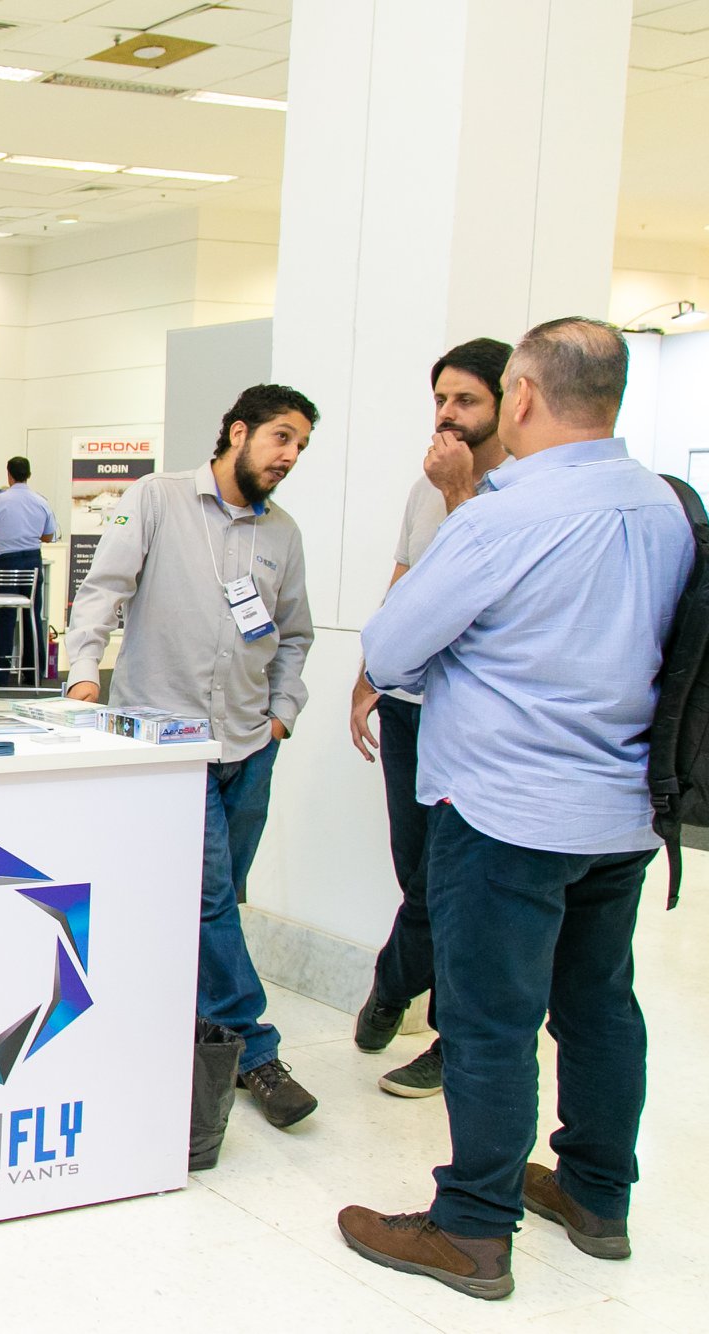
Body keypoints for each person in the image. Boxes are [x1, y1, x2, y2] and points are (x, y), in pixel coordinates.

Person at [342, 319, 691, 1301]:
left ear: (523, 396)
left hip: (505, 812)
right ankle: (596, 1196)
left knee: (490, 1019)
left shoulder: (502, 515)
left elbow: (392, 648)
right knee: (599, 1004)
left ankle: (470, 1229)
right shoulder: (667, 507)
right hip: (622, 812)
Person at [63, 384, 320, 1130]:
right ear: (238, 432)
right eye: (280, 437)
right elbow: (102, 590)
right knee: (208, 900)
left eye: (301, 446)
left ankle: (185, 1028)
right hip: (170, 743)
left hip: (250, 743)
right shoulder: (158, 498)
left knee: (217, 902)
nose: (290, 456)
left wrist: (282, 714)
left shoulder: (284, 534)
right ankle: (256, 1051)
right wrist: (83, 672)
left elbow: (295, 634)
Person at [346, 337, 512, 1100]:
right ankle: (400, 981)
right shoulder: (427, 485)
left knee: (458, 887)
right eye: (441, 398)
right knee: (417, 870)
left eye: (466, 400)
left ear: (510, 403)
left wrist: (458, 490)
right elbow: (407, 582)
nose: (447, 414)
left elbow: (490, 583)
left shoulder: (514, 491)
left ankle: (417, 1004)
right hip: (410, 707)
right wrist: (367, 675)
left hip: (474, 717)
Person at [0, 455, 57, 684]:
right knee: (32, 616)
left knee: (5, 617)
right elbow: (49, 535)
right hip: (33, 562)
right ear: (29, 474)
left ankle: (0, 674)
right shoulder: (41, 501)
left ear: (9, 474)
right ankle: (34, 672)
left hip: (7, 563)